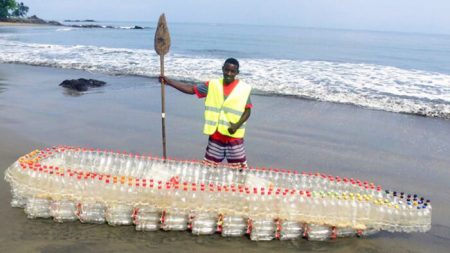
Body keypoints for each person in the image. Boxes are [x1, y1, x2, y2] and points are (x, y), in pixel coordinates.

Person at [159, 58, 252, 169]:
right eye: (226, 70)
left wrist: (237, 125)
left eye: (232, 71)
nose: (229, 73)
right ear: (222, 69)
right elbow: (191, 89)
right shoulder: (212, 85)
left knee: (240, 170)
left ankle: (239, 186)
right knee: (208, 169)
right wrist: (169, 82)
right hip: (216, 136)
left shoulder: (243, 89)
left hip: (234, 138)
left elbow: (248, 110)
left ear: (237, 73)